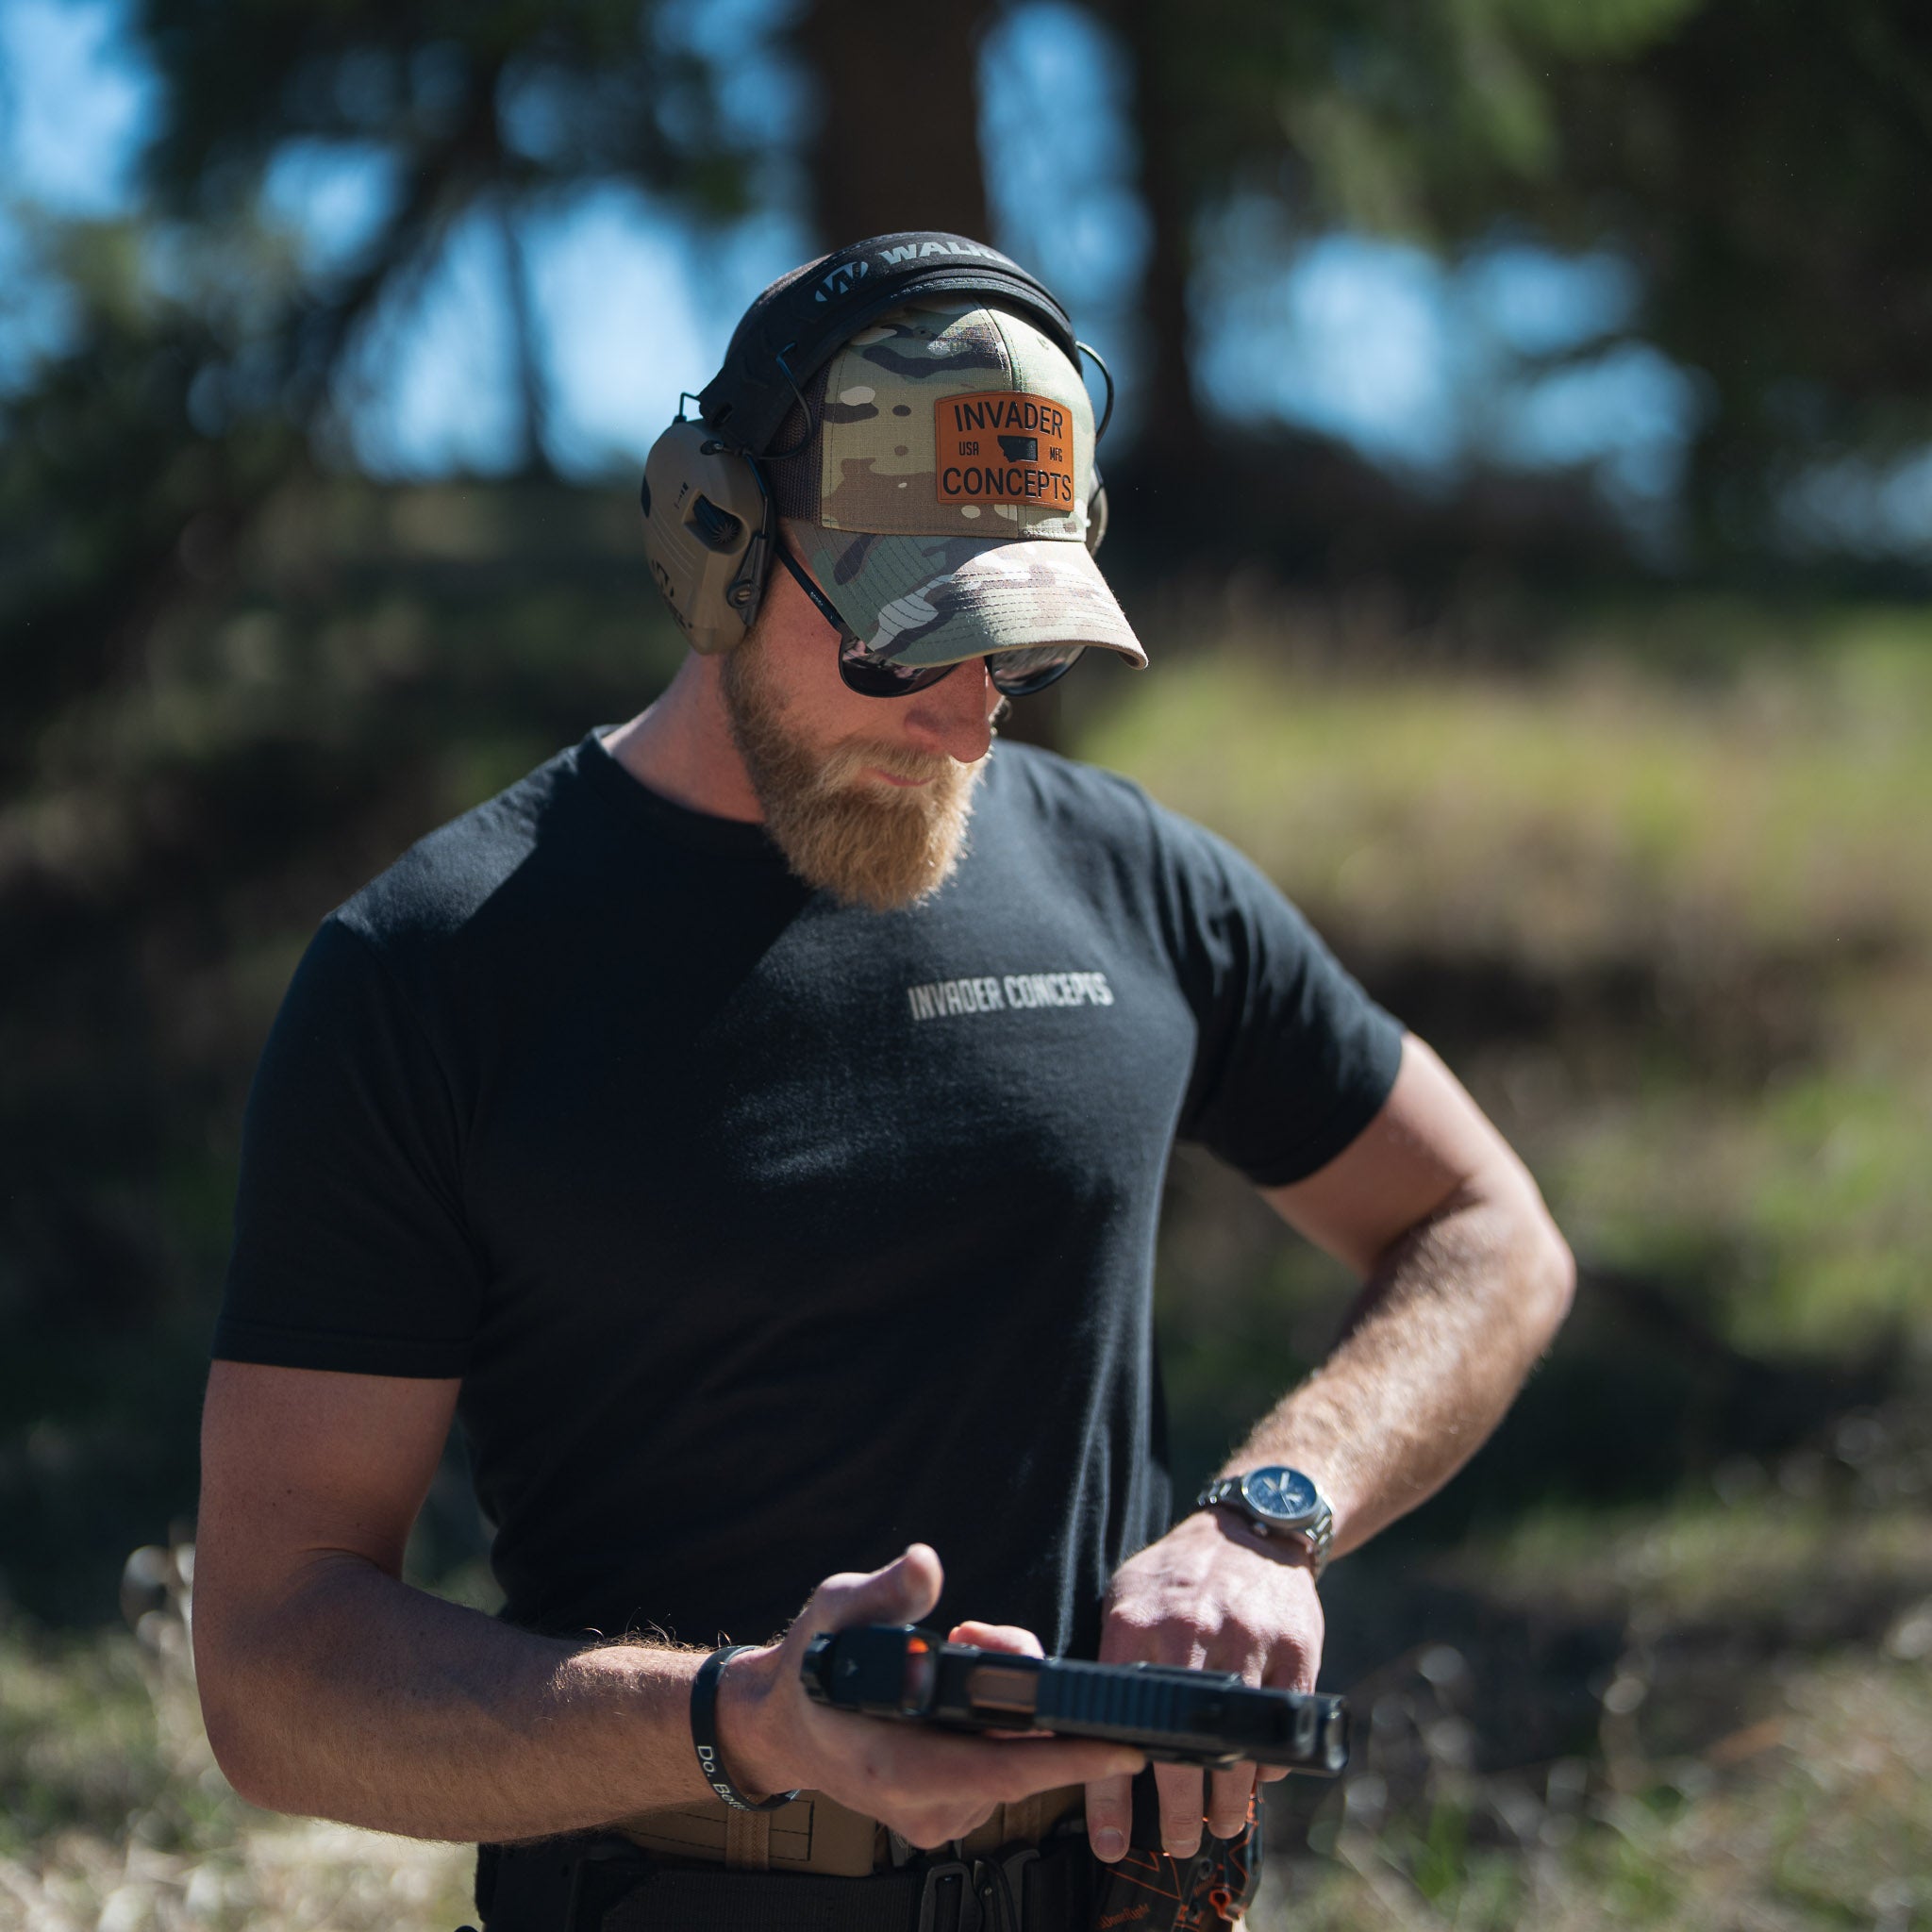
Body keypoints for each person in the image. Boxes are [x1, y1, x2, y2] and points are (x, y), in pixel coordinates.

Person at [192, 234, 1574, 1932]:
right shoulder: (431, 975)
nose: (972, 721)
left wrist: (1268, 1519)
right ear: (714, 544)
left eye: (1020, 648)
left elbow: (1486, 1227)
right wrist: (744, 1723)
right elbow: (276, 1671)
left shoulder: (1134, 880)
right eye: (908, 639)